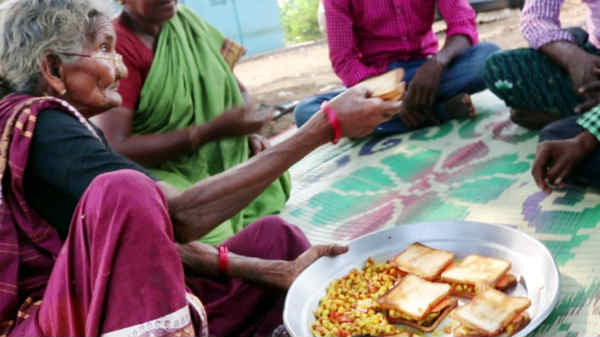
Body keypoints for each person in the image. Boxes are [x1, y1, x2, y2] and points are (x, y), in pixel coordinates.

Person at [0, 0, 402, 336]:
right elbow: (176, 216)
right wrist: (323, 126)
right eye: (105, 49)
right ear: (52, 70)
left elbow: (155, 231)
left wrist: (273, 269)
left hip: (106, 292)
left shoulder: (63, 127)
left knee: (274, 239)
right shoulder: (42, 127)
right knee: (126, 190)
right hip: (55, 317)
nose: (118, 67)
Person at [93, 0, 291, 246]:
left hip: (219, 156)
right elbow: (116, 148)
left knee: (273, 176)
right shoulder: (118, 47)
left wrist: (246, 130)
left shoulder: (189, 24)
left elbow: (235, 89)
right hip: (164, 170)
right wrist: (206, 133)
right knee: (202, 228)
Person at [293, 0, 500, 135]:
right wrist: (390, 95)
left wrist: (437, 63)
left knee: (488, 57)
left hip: (427, 72)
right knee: (307, 113)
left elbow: (463, 23)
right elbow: (344, 61)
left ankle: (392, 116)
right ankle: (438, 111)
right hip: (377, 81)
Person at [483, 0, 600, 129]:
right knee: (500, 69)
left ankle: (581, 120)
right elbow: (535, 18)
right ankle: (588, 116)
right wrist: (576, 59)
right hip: (592, 59)